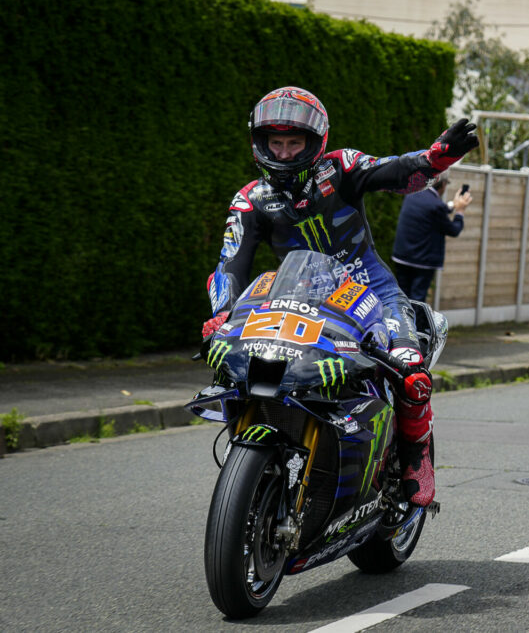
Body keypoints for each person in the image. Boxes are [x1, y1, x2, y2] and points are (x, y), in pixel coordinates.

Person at [201, 86, 479, 507]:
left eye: (294, 142)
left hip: (373, 292)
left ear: (315, 143)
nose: (285, 151)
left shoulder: (343, 167)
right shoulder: (249, 201)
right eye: (276, 142)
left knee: (411, 372)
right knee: (243, 367)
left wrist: (436, 157)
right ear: (260, 143)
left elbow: (397, 171)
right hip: (298, 296)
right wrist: (222, 314)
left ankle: (416, 456)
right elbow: (229, 265)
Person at [391, 174, 472, 301]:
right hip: (421, 263)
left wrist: (453, 205)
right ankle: (415, 322)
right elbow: (454, 230)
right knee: (417, 301)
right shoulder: (436, 206)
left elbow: (431, 211)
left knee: (402, 299)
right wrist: (460, 212)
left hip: (402, 257)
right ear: (443, 184)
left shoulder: (412, 195)